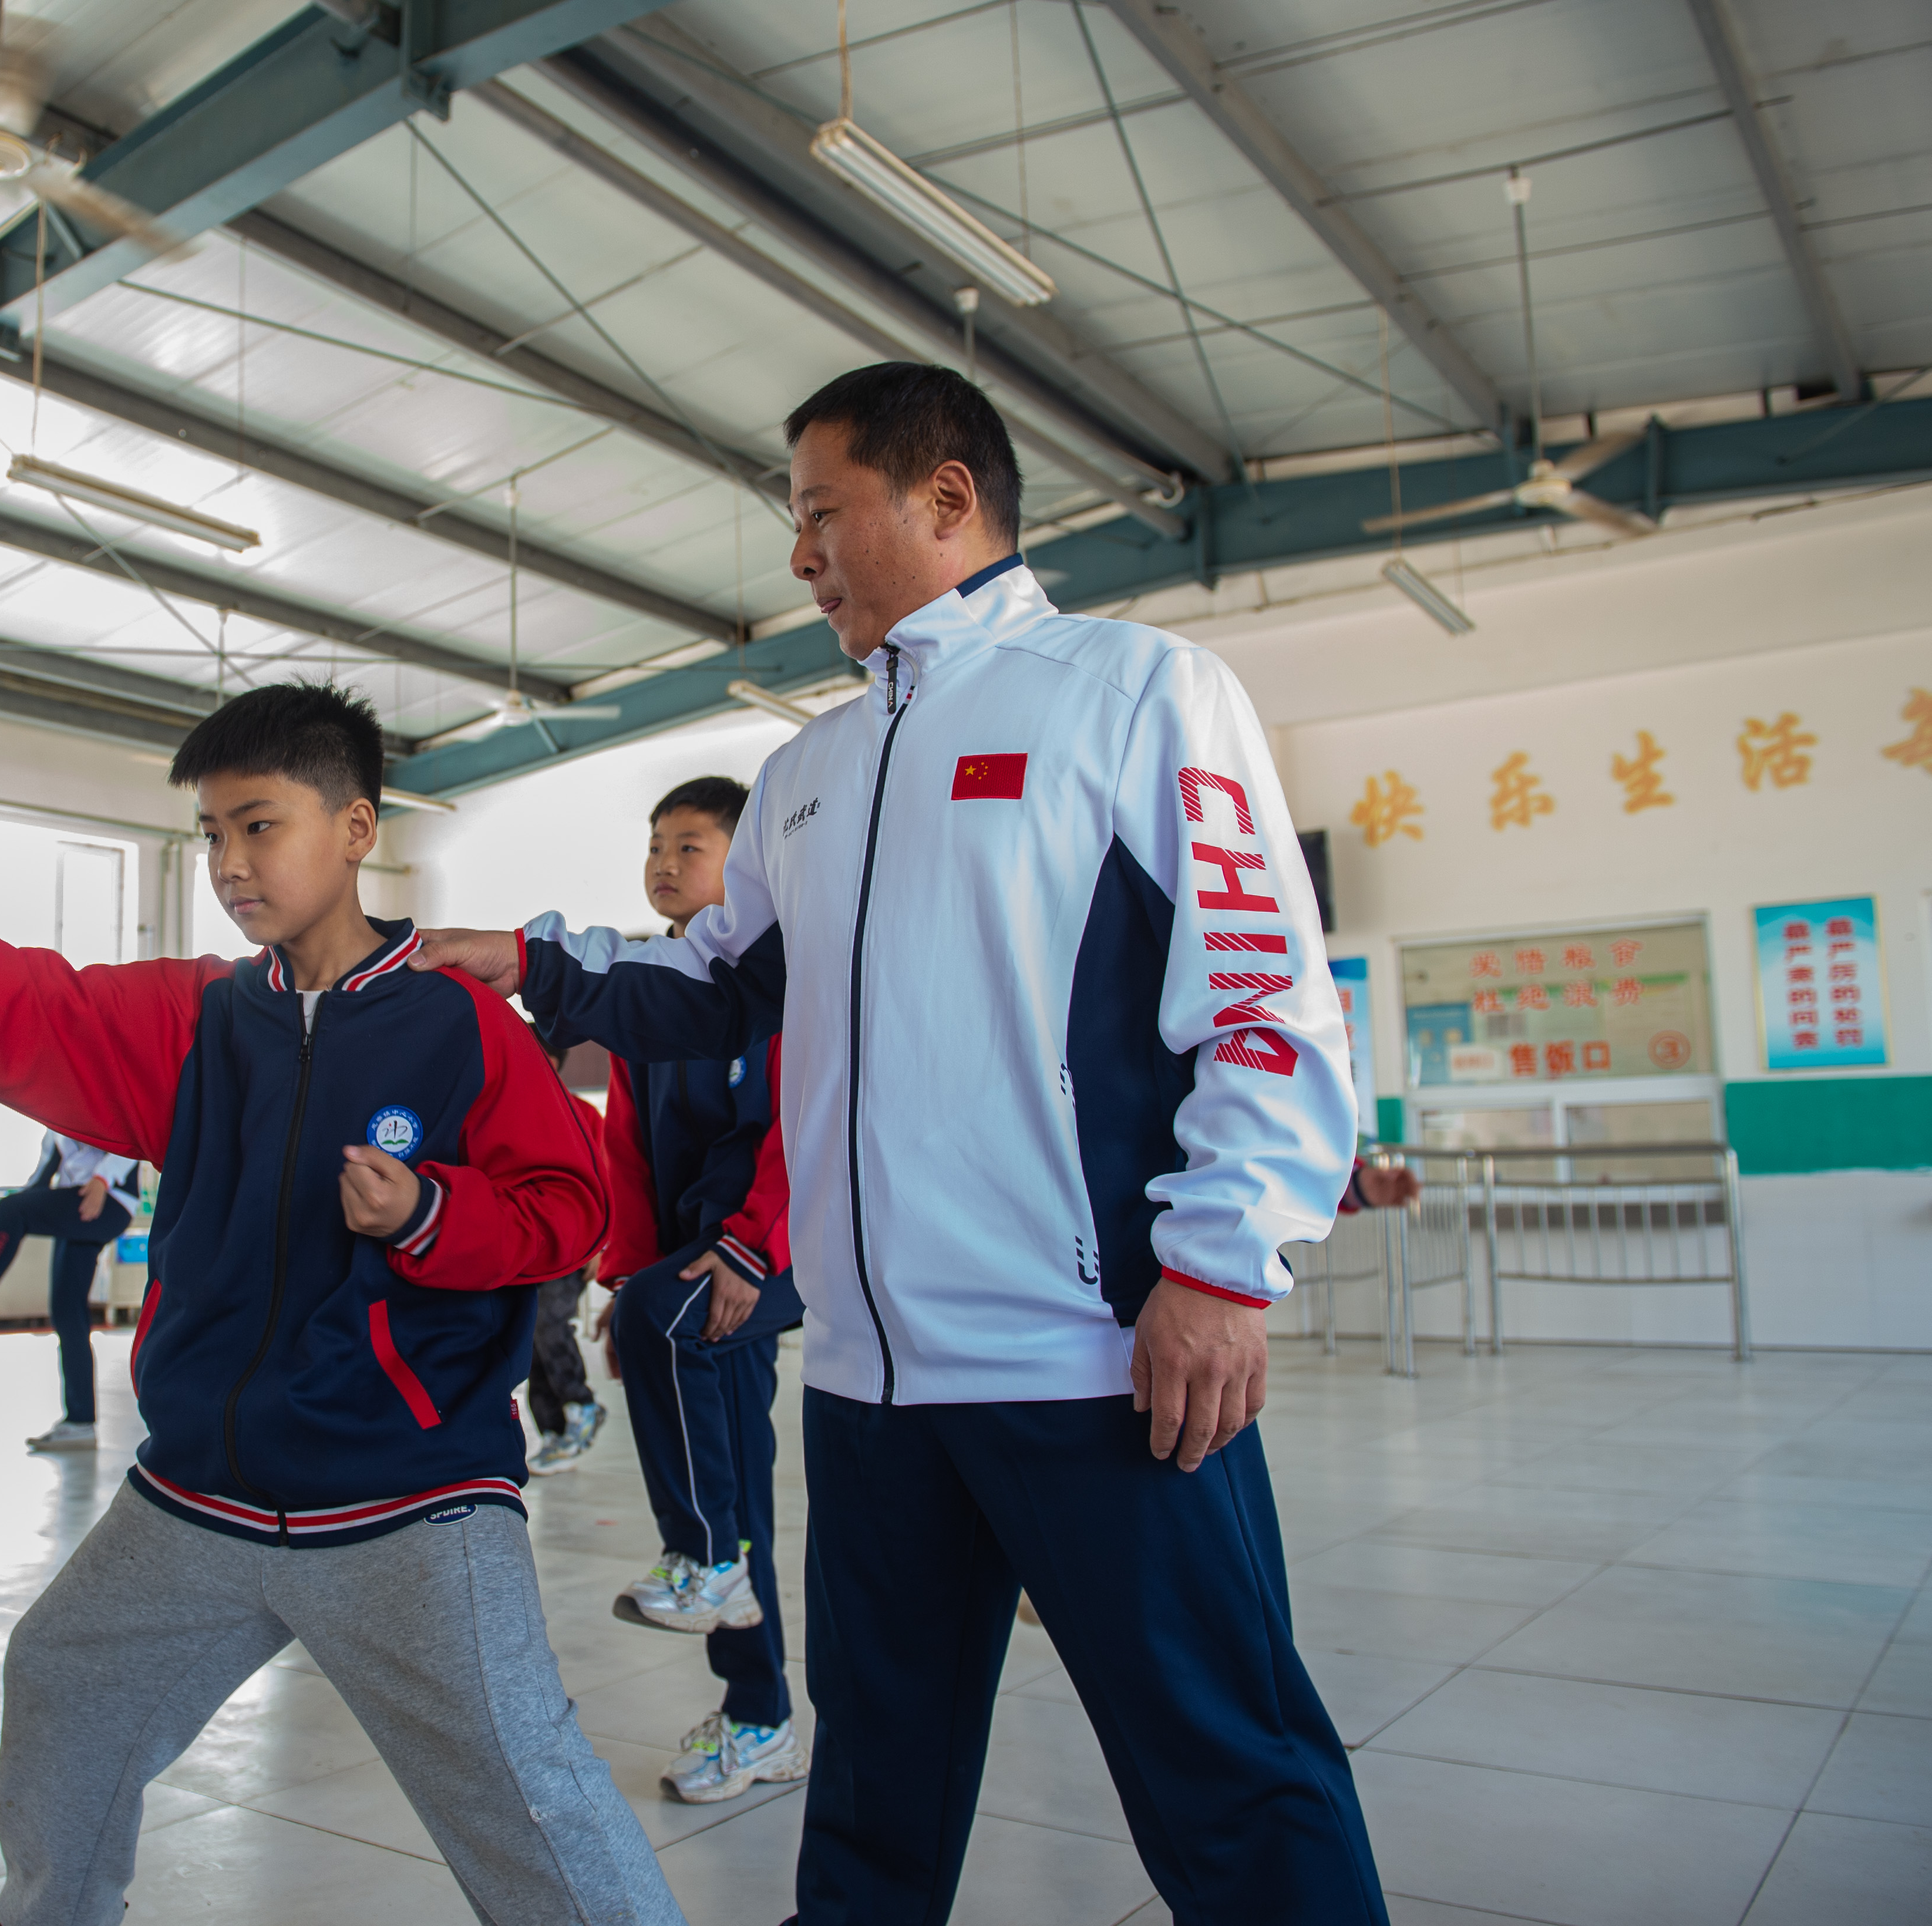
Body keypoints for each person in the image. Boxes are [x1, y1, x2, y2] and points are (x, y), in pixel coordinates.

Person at [412, 364, 1385, 1924]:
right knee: (873, 1793)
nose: (798, 556)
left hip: (1090, 1363)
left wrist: (1217, 1268)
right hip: (870, 1385)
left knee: (1227, 1771)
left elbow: (1263, 999)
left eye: (820, 512)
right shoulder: (809, 771)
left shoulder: (1133, 691)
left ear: (944, 498)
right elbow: (713, 983)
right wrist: (526, 961)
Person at [0, 681, 679, 1926]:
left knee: (529, 1799)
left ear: (357, 829)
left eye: (259, 826)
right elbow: (19, 1003)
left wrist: (431, 1213)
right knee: (63, 1680)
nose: (228, 863)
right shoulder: (197, 1019)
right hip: (201, 1492)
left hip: (407, 1497)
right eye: (210, 833)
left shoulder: (465, 1026)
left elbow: (569, 1209)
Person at [591, 775, 809, 1807]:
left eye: (691, 846)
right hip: (696, 1260)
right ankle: (759, 1716)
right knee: (734, 1479)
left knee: (661, 1321)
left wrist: (751, 1248)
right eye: (656, 847)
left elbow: (809, 1122)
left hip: (783, 1246)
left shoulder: (787, 974)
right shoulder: (650, 990)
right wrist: (625, 1272)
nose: (666, 864)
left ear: (748, 863)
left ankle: (702, 1553)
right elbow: (626, 1148)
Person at [0, 1128, 140, 1452]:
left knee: (12, 1210)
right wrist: (29, 1201)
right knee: (67, 1311)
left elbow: (129, 1139)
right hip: (75, 1199)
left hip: (109, 1199)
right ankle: (80, 1422)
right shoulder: (56, 1125)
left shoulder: (94, 1102)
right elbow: (45, 1171)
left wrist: (102, 1180)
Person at [520, 1025, 608, 1479]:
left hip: (572, 1249)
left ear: (550, 1063)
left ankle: (582, 1405)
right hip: (530, 1250)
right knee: (533, 1340)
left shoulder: (582, 1115)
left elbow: (611, 1182)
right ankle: (554, 1431)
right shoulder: (513, 1113)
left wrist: (603, 1246)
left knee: (549, 1325)